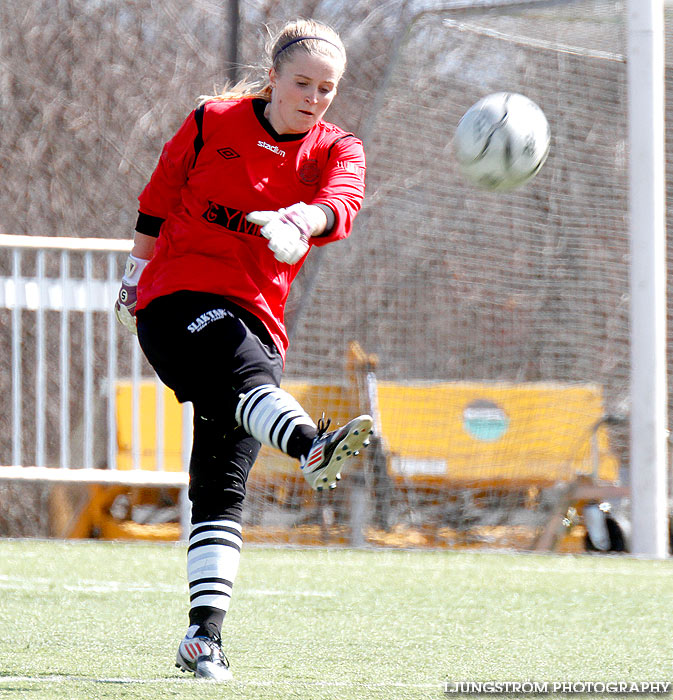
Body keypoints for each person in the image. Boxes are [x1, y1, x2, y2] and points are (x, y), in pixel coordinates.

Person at [114, 18, 373, 682]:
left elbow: (341, 203)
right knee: (244, 373)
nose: (314, 98)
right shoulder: (211, 122)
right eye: (303, 83)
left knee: (220, 487)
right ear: (273, 79)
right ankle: (311, 446)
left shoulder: (337, 147)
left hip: (257, 320)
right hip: (175, 300)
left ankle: (204, 637)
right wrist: (135, 274)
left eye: (327, 88)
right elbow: (156, 200)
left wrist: (300, 218)